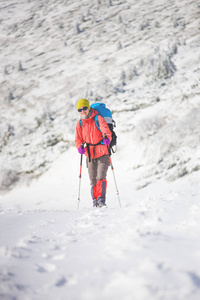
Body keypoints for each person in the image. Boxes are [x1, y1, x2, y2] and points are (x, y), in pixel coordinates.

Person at [75, 98, 112, 207]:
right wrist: (79, 147)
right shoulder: (80, 123)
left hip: (103, 153)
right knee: (93, 180)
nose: (83, 111)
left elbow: (106, 130)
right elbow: (78, 139)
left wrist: (107, 138)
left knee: (101, 176)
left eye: (84, 108)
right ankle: (95, 202)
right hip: (90, 155)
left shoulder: (98, 117)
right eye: (80, 110)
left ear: (89, 107)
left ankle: (101, 200)